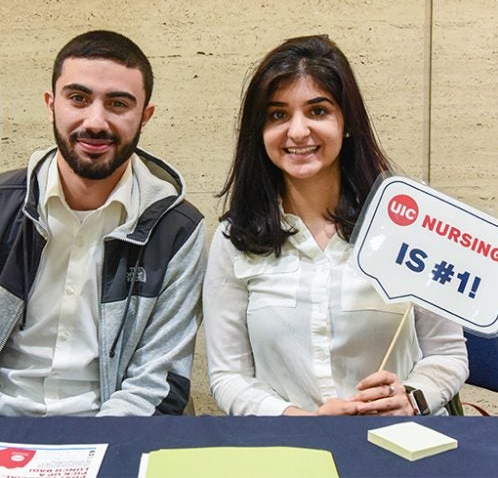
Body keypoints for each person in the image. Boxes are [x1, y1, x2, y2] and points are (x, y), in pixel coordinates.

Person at [203, 34, 468, 416]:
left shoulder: (409, 224)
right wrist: (302, 422)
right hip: (292, 449)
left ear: (346, 122)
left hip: (401, 442)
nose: (297, 132)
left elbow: (447, 353)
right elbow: (229, 375)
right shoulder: (235, 239)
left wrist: (412, 397)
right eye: (277, 115)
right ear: (258, 132)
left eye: (317, 111)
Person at [0, 30, 206, 416]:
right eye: (78, 98)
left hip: (112, 432)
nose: (95, 121)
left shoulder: (175, 230)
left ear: (145, 116)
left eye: (118, 104)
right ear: (51, 105)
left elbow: (158, 381)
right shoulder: (4, 205)